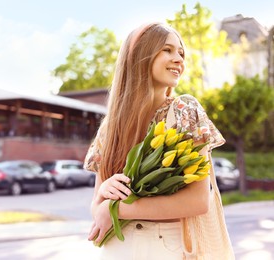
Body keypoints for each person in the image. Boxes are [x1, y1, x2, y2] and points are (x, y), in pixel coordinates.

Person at [84, 22, 234, 259]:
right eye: (167, 50)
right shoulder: (110, 127)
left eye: (181, 53)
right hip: (117, 249)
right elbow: (97, 206)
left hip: (166, 246)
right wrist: (104, 190)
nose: (179, 59)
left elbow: (198, 200)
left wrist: (117, 208)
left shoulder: (184, 110)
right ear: (140, 56)